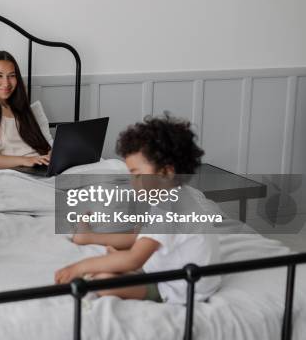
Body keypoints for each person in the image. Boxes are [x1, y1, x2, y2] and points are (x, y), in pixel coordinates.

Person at [55, 114, 221, 304]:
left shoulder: (169, 211)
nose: (133, 183)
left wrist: (78, 268)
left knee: (103, 281)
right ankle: (89, 238)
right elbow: (140, 238)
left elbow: (135, 259)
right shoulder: (175, 195)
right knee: (132, 244)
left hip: (183, 287)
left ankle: (106, 254)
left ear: (166, 173)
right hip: (181, 271)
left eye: (137, 175)